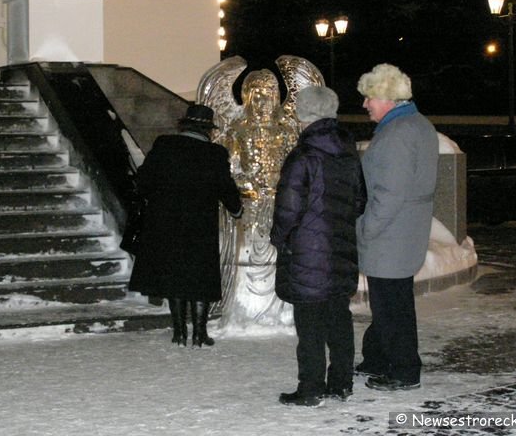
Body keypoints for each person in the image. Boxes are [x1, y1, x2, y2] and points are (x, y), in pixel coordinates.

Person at [270, 86, 367, 406]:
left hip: (308, 253)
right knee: (339, 319)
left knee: (309, 324)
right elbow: (359, 201)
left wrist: (279, 238)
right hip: (340, 248)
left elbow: (288, 208)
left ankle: (310, 387)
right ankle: (341, 383)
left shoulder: (303, 156)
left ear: (306, 114)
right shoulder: (348, 153)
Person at [128, 104, 243, 348]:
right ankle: (200, 334)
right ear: (208, 129)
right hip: (200, 225)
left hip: (165, 222)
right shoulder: (214, 153)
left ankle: (179, 332)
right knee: (200, 277)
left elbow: (144, 180)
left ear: (184, 125)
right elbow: (225, 187)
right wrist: (236, 209)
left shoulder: (164, 145)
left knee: (174, 275)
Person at [355, 63, 438, 391]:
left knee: (392, 305)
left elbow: (389, 194)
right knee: (389, 301)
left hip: (391, 234)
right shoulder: (417, 125)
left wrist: (365, 228)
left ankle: (403, 370)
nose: (365, 105)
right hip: (404, 231)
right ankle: (377, 357)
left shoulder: (397, 134)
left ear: (386, 97)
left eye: (369, 97)